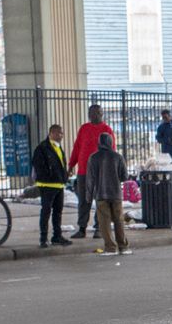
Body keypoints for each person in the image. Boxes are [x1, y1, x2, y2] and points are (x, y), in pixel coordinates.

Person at [70, 105, 113, 239]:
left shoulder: (106, 130)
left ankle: (98, 228)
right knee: (83, 201)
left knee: (100, 200)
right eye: (92, 113)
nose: (94, 115)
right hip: (83, 171)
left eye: (97, 113)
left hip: (100, 172)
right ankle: (82, 228)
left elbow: (112, 151)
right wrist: (71, 165)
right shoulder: (84, 128)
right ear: (88, 114)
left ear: (102, 114)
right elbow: (77, 147)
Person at [87, 130, 130, 256]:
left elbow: (90, 179)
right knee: (119, 220)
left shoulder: (93, 157)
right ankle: (123, 247)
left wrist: (88, 196)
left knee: (104, 223)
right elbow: (124, 177)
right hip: (116, 194)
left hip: (101, 195)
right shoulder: (118, 157)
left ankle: (110, 248)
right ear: (111, 142)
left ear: (99, 143)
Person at [31, 123, 71, 248]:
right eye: (59, 133)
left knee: (57, 212)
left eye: (62, 133)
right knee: (46, 211)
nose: (61, 135)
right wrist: (50, 176)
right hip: (47, 185)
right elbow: (38, 165)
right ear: (51, 133)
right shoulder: (42, 148)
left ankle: (57, 236)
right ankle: (43, 238)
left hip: (58, 185)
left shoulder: (58, 147)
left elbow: (61, 165)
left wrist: (64, 177)